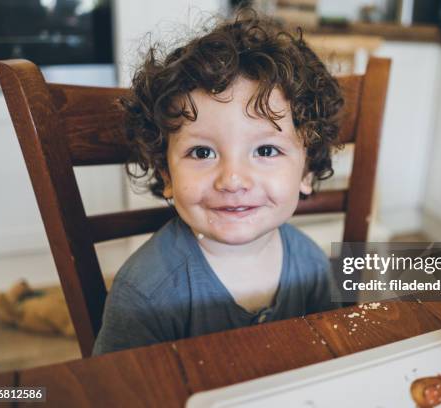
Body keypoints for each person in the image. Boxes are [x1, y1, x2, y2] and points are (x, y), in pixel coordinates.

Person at [93, 9, 344, 355]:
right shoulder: (145, 293)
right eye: (201, 153)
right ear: (166, 174)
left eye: (266, 150)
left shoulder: (312, 264)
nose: (232, 180)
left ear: (307, 171)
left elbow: (332, 355)